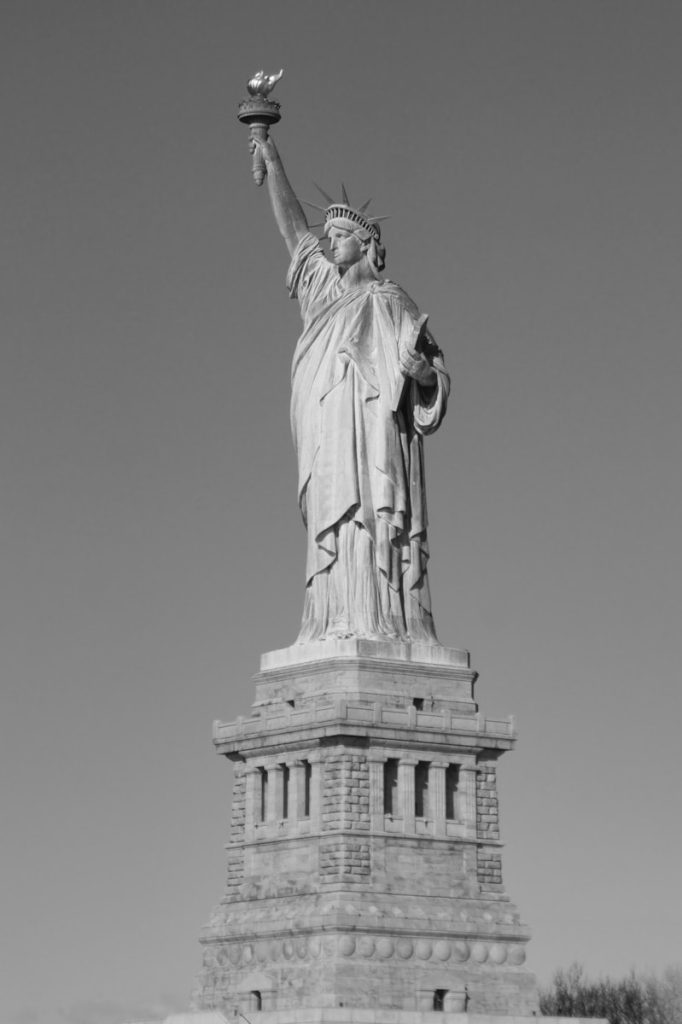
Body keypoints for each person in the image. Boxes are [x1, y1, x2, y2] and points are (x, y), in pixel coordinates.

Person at [250, 133, 450, 644]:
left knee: (373, 518)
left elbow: (432, 380)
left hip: (376, 440)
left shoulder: (391, 302)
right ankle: (334, 620)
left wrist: (422, 373)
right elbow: (294, 232)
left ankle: (383, 620)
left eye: (339, 234)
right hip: (328, 438)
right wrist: (272, 158)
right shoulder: (321, 294)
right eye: (330, 235)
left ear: (365, 243)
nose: (330, 240)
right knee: (334, 525)